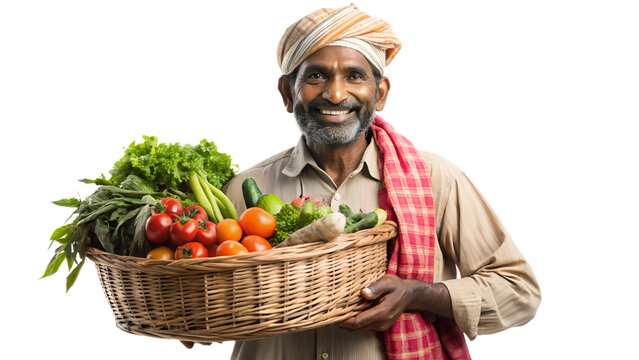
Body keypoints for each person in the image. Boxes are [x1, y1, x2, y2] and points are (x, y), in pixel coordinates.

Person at [189, 4, 541, 359]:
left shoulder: (436, 181)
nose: (336, 94)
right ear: (286, 92)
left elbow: (519, 291)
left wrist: (418, 295)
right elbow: (200, 305)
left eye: (355, 76)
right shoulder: (242, 189)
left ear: (381, 92)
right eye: (315, 77)